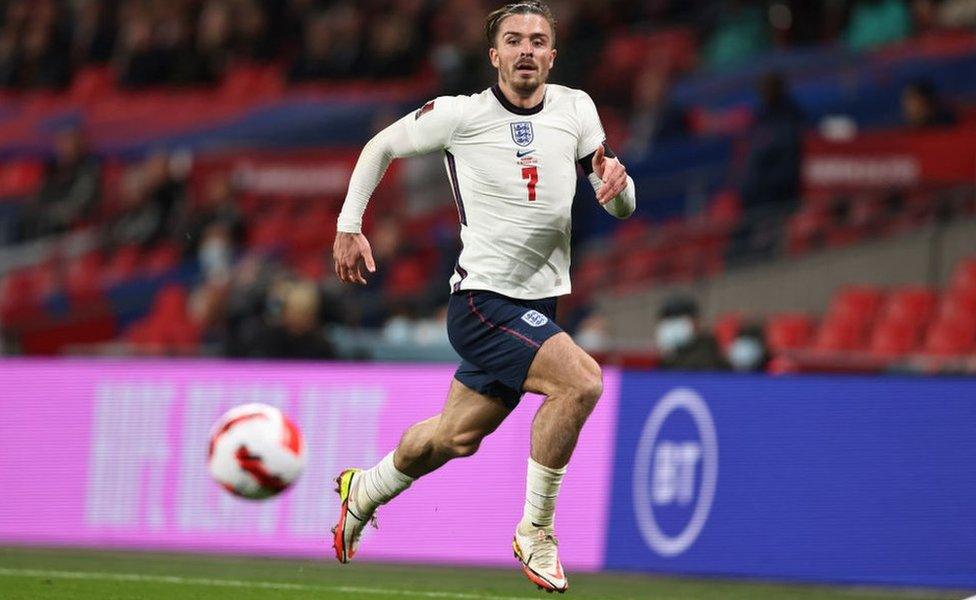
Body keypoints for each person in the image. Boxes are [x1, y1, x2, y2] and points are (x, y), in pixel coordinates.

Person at [330, 1, 636, 593]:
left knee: (454, 438)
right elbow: (380, 148)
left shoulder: (577, 108)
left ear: (553, 54)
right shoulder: (459, 115)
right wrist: (350, 224)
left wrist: (616, 190)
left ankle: (363, 490)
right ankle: (536, 531)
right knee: (581, 382)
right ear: (493, 55)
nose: (527, 49)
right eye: (514, 40)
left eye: (538, 40)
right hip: (481, 303)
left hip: (539, 307)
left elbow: (616, 197)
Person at [655, 295, 730, 371]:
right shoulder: (670, 358)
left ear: (696, 321)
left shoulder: (707, 356)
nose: (673, 326)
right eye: (669, 319)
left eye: (679, 318)